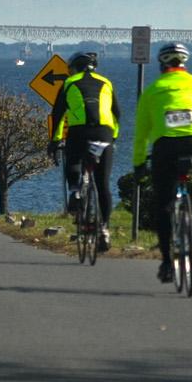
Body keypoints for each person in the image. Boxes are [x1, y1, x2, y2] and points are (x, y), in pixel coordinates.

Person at [131, 42, 192, 283]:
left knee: (163, 205)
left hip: (166, 144)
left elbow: (141, 134)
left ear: (161, 65)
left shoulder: (152, 90)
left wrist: (139, 164)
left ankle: (168, 263)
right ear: (184, 64)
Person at [48, 50, 119, 249]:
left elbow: (58, 115)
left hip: (79, 133)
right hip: (104, 134)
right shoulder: (106, 82)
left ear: (73, 68)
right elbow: (117, 114)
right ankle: (104, 229)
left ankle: (75, 190)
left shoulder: (69, 83)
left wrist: (54, 141)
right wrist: (113, 137)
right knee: (103, 184)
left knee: (74, 161)